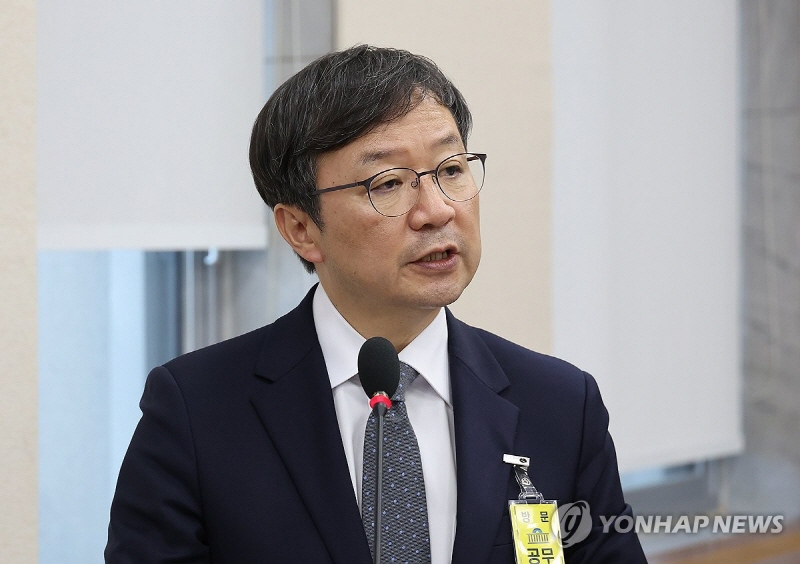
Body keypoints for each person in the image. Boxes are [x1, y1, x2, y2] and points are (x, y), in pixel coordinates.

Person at [105, 45, 647, 563]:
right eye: (388, 183)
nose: (436, 211)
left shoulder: (560, 405)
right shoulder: (198, 411)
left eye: (451, 170)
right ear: (300, 228)